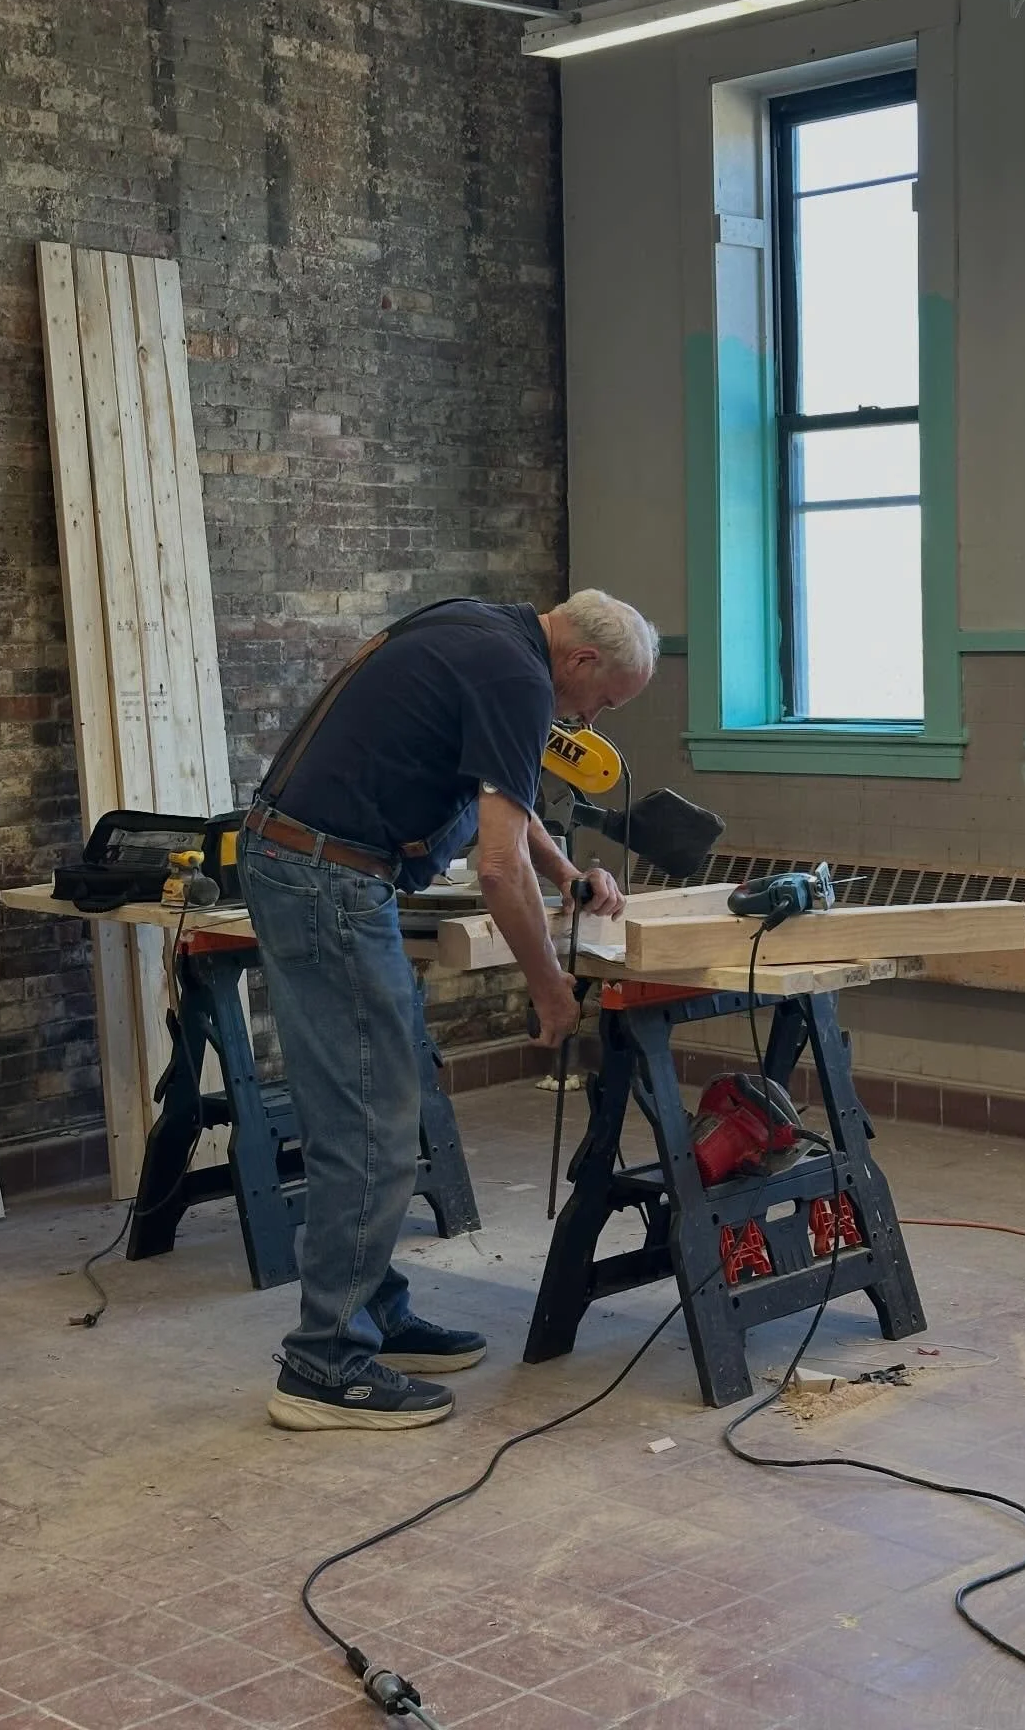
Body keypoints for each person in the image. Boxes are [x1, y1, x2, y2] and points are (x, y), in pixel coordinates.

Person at [238, 590, 658, 1431]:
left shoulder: (491, 628)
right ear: (579, 662)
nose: (592, 718)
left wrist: (568, 877)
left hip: (310, 865)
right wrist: (549, 989)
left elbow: (506, 802)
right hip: (330, 879)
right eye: (603, 701)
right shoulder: (520, 677)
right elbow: (496, 867)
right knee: (373, 1120)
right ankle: (325, 1365)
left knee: (367, 1106)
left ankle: (373, 1311)